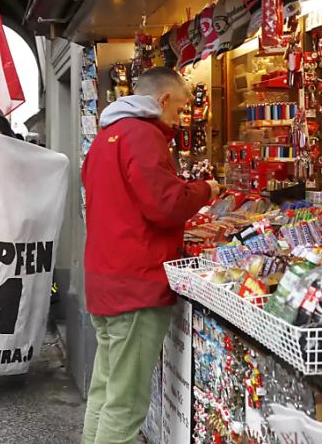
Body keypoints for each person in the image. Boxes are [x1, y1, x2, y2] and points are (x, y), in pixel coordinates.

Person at [80, 67, 220, 444]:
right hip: (137, 285)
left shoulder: (106, 138)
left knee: (105, 392)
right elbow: (166, 205)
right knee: (125, 405)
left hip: (105, 280)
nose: (179, 118)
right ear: (161, 100)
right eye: (178, 109)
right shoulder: (143, 135)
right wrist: (205, 188)